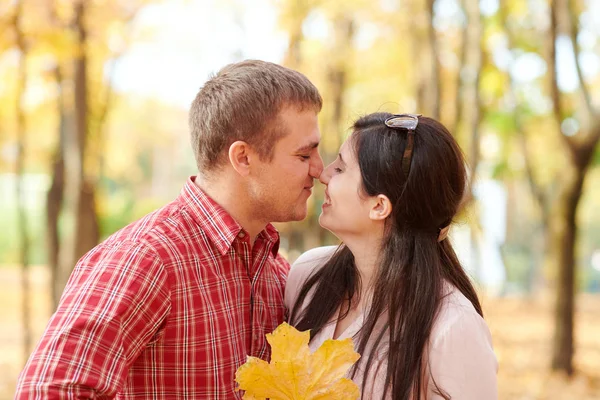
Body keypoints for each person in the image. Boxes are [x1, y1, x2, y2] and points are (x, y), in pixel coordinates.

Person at [15, 60, 324, 399]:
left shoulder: (275, 269)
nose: (319, 170)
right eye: (303, 155)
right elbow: (49, 391)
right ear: (244, 158)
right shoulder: (145, 258)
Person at [285, 112, 498, 399]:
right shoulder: (308, 275)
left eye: (340, 169)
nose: (323, 174)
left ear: (379, 206)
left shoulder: (452, 328)